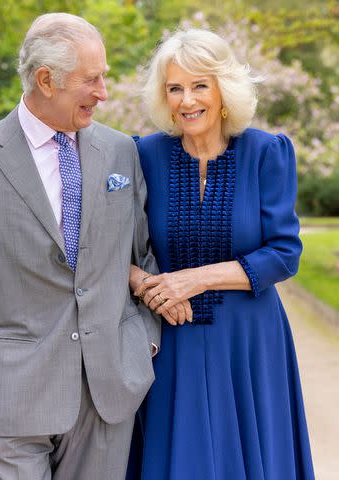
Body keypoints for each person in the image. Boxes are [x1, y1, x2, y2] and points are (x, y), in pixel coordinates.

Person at [0, 13, 180, 480]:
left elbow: (141, 254)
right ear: (46, 80)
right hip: (11, 394)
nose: (104, 92)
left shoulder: (121, 151)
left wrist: (140, 341)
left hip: (106, 389)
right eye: (92, 79)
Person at [128, 29, 315, 479]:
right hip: (171, 336)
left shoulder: (266, 152)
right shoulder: (141, 155)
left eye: (199, 86)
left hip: (250, 340)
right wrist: (147, 286)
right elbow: (112, 247)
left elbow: (284, 253)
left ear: (223, 91)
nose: (186, 100)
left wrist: (196, 278)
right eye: (175, 88)